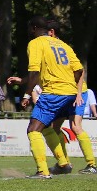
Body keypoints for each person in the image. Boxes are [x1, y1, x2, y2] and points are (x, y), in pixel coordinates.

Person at [16, 16, 83, 178]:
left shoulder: (35, 43)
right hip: (70, 93)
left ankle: (42, 171)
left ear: (34, 28)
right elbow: (79, 70)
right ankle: (63, 164)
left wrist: (26, 94)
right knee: (46, 127)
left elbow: (34, 72)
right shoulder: (63, 45)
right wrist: (71, 86)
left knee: (33, 129)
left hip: (54, 92)